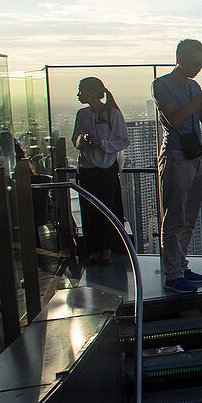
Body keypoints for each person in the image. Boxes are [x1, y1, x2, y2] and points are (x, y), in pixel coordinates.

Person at [153, 39, 202, 293]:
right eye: (196, 63)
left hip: (196, 156)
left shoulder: (195, 86)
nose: (200, 68)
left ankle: (181, 266)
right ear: (180, 59)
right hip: (175, 156)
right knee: (173, 218)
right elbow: (173, 119)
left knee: (189, 217)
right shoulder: (161, 85)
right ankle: (172, 274)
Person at [72, 77, 129, 264]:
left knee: (108, 209)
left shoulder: (112, 114)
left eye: (82, 90)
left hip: (105, 169)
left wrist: (101, 144)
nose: (79, 94)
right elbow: (76, 141)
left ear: (92, 92)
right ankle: (94, 249)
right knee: (88, 211)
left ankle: (107, 248)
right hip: (87, 168)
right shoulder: (82, 114)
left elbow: (123, 141)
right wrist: (84, 139)